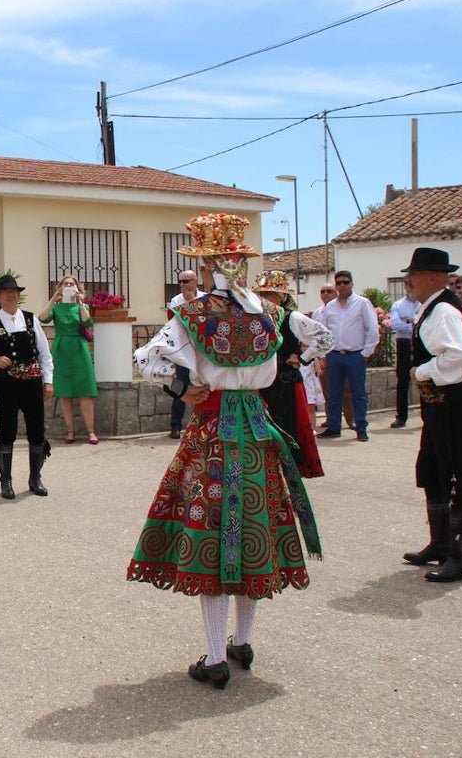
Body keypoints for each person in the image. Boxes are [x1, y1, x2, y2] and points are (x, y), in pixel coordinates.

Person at [128, 213, 321, 691]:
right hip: (256, 435)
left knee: (214, 538)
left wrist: (181, 389)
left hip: (212, 434)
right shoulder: (273, 314)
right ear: (242, 261)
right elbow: (322, 338)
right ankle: (243, 642)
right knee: (250, 529)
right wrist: (293, 360)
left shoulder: (192, 316)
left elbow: (145, 358)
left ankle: (216, 656)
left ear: (209, 264)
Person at [399, 247, 462, 582]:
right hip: (440, 404)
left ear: (433, 277)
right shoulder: (433, 307)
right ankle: (441, 542)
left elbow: (460, 357)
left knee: (456, 471)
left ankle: (460, 556)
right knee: (434, 467)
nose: (409, 280)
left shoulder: (443, 310)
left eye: (414, 274)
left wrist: (422, 372)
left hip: (453, 402)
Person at [0, 275, 55, 499]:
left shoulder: (30, 320)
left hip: (33, 385)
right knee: (6, 431)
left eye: (15, 292)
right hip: (7, 386)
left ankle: (35, 478)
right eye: (6, 292)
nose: (11, 295)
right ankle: (5, 480)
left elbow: (44, 352)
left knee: (37, 431)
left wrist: (48, 381)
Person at [252, 271, 334, 478]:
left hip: (286, 385)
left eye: (268, 294)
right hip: (262, 385)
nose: (263, 299)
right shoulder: (257, 319)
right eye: (261, 294)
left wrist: (302, 357)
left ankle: (291, 478)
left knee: (288, 431)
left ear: (281, 297)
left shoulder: (293, 318)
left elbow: (325, 337)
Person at [314, 270, 379, 441]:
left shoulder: (362, 303)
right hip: (334, 355)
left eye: (345, 282)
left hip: (355, 355)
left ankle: (361, 427)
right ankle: (334, 426)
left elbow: (372, 329)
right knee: (333, 393)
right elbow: (324, 331)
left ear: (351, 284)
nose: (342, 285)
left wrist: (365, 353)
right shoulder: (330, 307)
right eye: (339, 282)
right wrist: (324, 354)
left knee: (357, 393)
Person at [38, 275, 98, 444]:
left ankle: (91, 432)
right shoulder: (56, 308)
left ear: (78, 288)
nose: (69, 286)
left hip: (79, 348)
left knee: (85, 392)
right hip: (61, 349)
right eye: (66, 284)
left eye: (72, 284)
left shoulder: (83, 306)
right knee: (64, 394)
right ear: (60, 287)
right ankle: (70, 432)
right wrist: (53, 299)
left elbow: (87, 323)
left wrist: (80, 303)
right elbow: (42, 318)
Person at [165, 269, 204, 439]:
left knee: (204, 387)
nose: (182, 285)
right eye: (180, 282)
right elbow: (179, 324)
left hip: (202, 350)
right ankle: (175, 425)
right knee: (181, 388)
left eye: (186, 281)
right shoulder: (176, 301)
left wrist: (192, 302)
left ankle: (202, 425)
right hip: (184, 350)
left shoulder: (205, 298)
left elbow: (205, 321)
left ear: (195, 281)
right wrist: (188, 304)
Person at [312, 282, 355, 432]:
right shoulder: (317, 313)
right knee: (327, 390)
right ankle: (332, 419)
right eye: (322, 291)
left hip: (340, 353)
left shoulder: (343, 309)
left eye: (329, 291)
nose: (325, 294)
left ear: (335, 293)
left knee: (346, 389)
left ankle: (351, 419)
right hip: (324, 355)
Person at [389, 278, 419, 428]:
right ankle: (401, 417)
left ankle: (428, 416)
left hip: (421, 343)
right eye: (409, 285)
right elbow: (396, 325)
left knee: (426, 379)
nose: (412, 288)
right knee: (402, 381)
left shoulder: (424, 303)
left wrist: (408, 322)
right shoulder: (398, 305)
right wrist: (413, 324)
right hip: (404, 344)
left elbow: (425, 324)